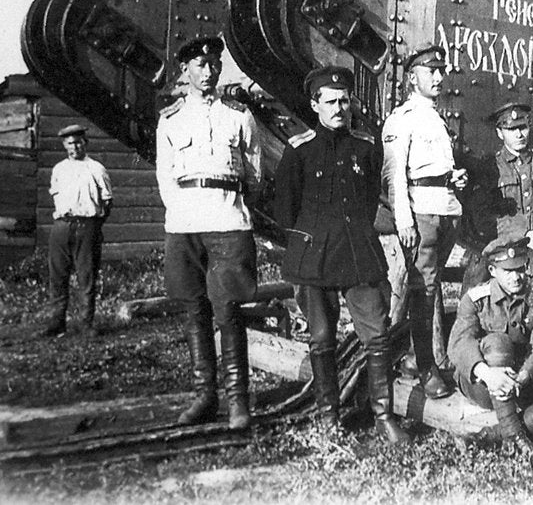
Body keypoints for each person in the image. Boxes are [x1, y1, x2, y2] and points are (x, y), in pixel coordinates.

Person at [273, 66, 410, 445]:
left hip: (356, 254)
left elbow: (367, 203)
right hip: (313, 256)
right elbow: (286, 209)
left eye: (344, 100)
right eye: (330, 101)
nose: (338, 108)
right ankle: (329, 417)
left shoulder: (365, 148)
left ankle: (384, 417)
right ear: (315, 105)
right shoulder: (299, 149)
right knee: (321, 339)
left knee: (378, 335)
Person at [155, 36, 262, 430]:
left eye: (214, 63)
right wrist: (182, 212)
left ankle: (238, 402)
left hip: (228, 221)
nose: (208, 71)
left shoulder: (237, 115)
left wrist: (231, 204)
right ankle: (205, 396)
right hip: (185, 223)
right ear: (185, 70)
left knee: (228, 309)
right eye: (200, 65)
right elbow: (165, 177)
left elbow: (253, 171)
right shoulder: (170, 119)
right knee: (193, 309)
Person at [381, 45, 467, 400]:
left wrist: (455, 179)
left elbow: (435, 170)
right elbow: (395, 176)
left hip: (445, 209)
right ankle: (425, 368)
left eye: (441, 71)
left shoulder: (437, 117)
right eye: (430, 71)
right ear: (411, 77)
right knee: (424, 291)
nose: (438, 77)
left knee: (429, 290)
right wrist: (404, 220)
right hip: (421, 215)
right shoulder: (402, 118)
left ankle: (420, 359)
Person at [448, 238, 533, 456]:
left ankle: (490, 435)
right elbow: (460, 343)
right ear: (492, 270)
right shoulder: (475, 299)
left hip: (520, 382)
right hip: (482, 385)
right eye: (507, 271)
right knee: (498, 342)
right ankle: (518, 438)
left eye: (520, 268)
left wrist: (524, 376)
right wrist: (488, 375)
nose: (516, 276)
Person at [464, 102, 533, 333]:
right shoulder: (491, 166)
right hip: (506, 257)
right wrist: (524, 235)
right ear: (500, 133)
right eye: (512, 129)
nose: (520, 134)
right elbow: (483, 217)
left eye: (523, 127)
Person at [41, 124, 113, 337]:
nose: (75, 147)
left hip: (87, 226)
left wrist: (94, 225)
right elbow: (56, 198)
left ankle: (85, 324)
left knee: (87, 276)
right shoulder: (59, 169)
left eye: (78, 142)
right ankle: (57, 323)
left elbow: (107, 202)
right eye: (70, 143)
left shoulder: (96, 168)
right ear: (65, 145)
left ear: (85, 143)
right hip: (62, 226)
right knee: (58, 275)